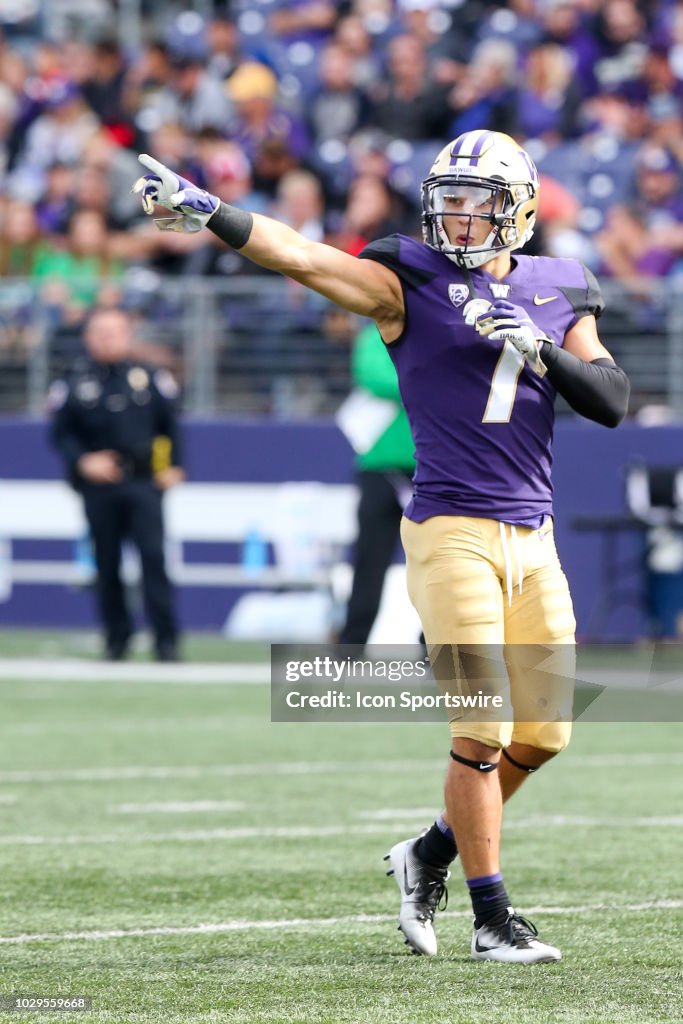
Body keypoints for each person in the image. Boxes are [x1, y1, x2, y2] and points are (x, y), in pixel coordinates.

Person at [131, 129, 629, 962]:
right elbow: (307, 258)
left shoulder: (559, 287)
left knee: (542, 736)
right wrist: (215, 212)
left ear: (522, 211)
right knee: (480, 729)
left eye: (481, 206)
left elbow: (610, 398)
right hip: (449, 530)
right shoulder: (411, 279)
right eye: (452, 204)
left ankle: (425, 854)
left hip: (533, 537)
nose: (462, 222)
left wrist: (539, 346)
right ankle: (491, 918)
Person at [49, 305, 185, 662]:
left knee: (153, 560)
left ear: (128, 335)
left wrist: (175, 466)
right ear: (87, 337)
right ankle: (116, 637)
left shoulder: (149, 376)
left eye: (115, 332)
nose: (108, 339)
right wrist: (83, 461)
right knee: (106, 563)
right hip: (99, 485)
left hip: (143, 482)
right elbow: (60, 433)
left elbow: (170, 425)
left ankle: (166, 640)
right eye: (100, 332)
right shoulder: (74, 380)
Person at [338, 321, 416, 646]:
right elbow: (374, 378)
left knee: (440, 563)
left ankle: (437, 646)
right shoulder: (373, 336)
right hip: (380, 469)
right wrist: (427, 381)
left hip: (431, 469)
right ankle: (352, 645)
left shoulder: (432, 329)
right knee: (370, 560)